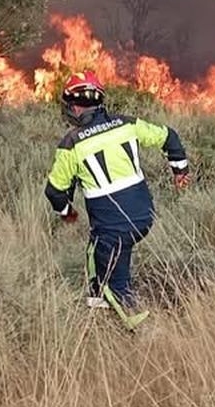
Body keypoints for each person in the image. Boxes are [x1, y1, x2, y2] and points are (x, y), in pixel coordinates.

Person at [43, 70, 190, 332]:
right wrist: (180, 170)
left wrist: (67, 213)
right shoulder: (127, 124)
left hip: (113, 227)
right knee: (95, 251)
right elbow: (169, 136)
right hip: (144, 217)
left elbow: (54, 192)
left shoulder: (71, 144)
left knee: (115, 282)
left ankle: (146, 333)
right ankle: (97, 309)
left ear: (74, 107)